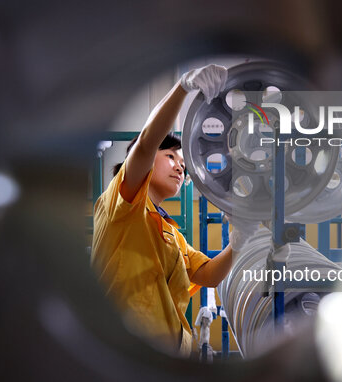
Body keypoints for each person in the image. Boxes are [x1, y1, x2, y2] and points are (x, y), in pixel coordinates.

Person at [91, 64, 254, 356]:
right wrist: (184, 87)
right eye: (170, 156)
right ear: (147, 160)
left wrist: (237, 243)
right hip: (126, 354)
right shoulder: (121, 203)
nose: (180, 166)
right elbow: (145, 143)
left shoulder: (170, 232)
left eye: (183, 163)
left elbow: (208, 275)